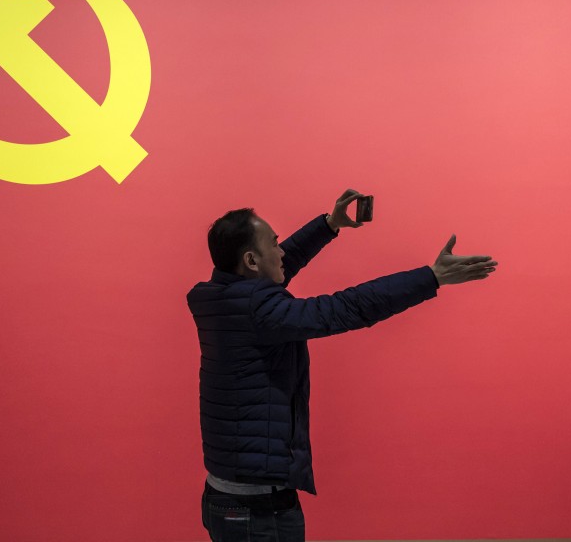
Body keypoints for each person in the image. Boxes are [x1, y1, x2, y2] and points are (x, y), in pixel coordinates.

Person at [187, 189, 498, 542]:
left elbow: (277, 269)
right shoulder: (260, 310)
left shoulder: (217, 298)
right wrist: (431, 277)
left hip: (224, 496)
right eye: (274, 244)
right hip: (257, 510)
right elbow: (345, 308)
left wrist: (329, 225)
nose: (282, 251)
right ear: (252, 261)